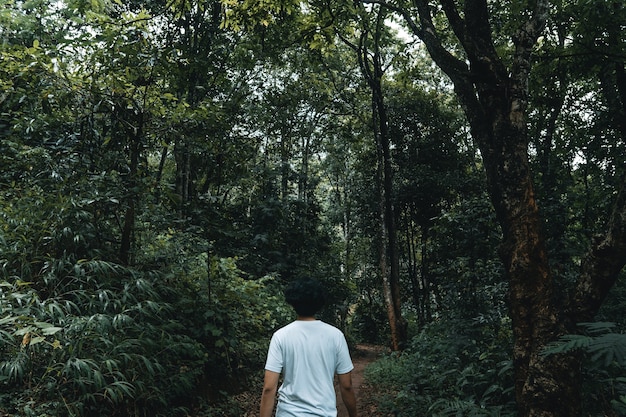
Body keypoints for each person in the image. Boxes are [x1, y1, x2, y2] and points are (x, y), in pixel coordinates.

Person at [260, 278, 357, 417]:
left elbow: (269, 388)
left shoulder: (280, 336)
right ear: (319, 303)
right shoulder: (336, 336)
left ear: (293, 302)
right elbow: (346, 386)